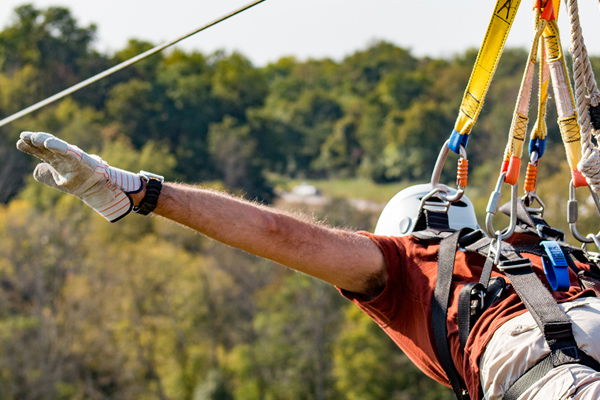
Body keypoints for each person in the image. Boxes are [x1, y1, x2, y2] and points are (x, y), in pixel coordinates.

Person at [15, 131, 600, 400]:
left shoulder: (405, 266)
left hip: (538, 365)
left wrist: (139, 191)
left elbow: (276, 232)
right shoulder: (541, 250)